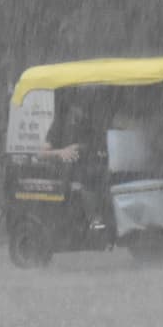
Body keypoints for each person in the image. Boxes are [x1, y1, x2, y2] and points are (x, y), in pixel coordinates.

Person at [40, 97, 106, 231]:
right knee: (86, 178)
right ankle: (95, 221)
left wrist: (85, 148)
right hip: (68, 172)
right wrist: (61, 152)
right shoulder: (59, 124)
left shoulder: (89, 124)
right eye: (80, 107)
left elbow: (99, 147)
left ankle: (98, 221)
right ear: (71, 107)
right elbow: (41, 154)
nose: (83, 112)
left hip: (89, 169)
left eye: (85, 109)